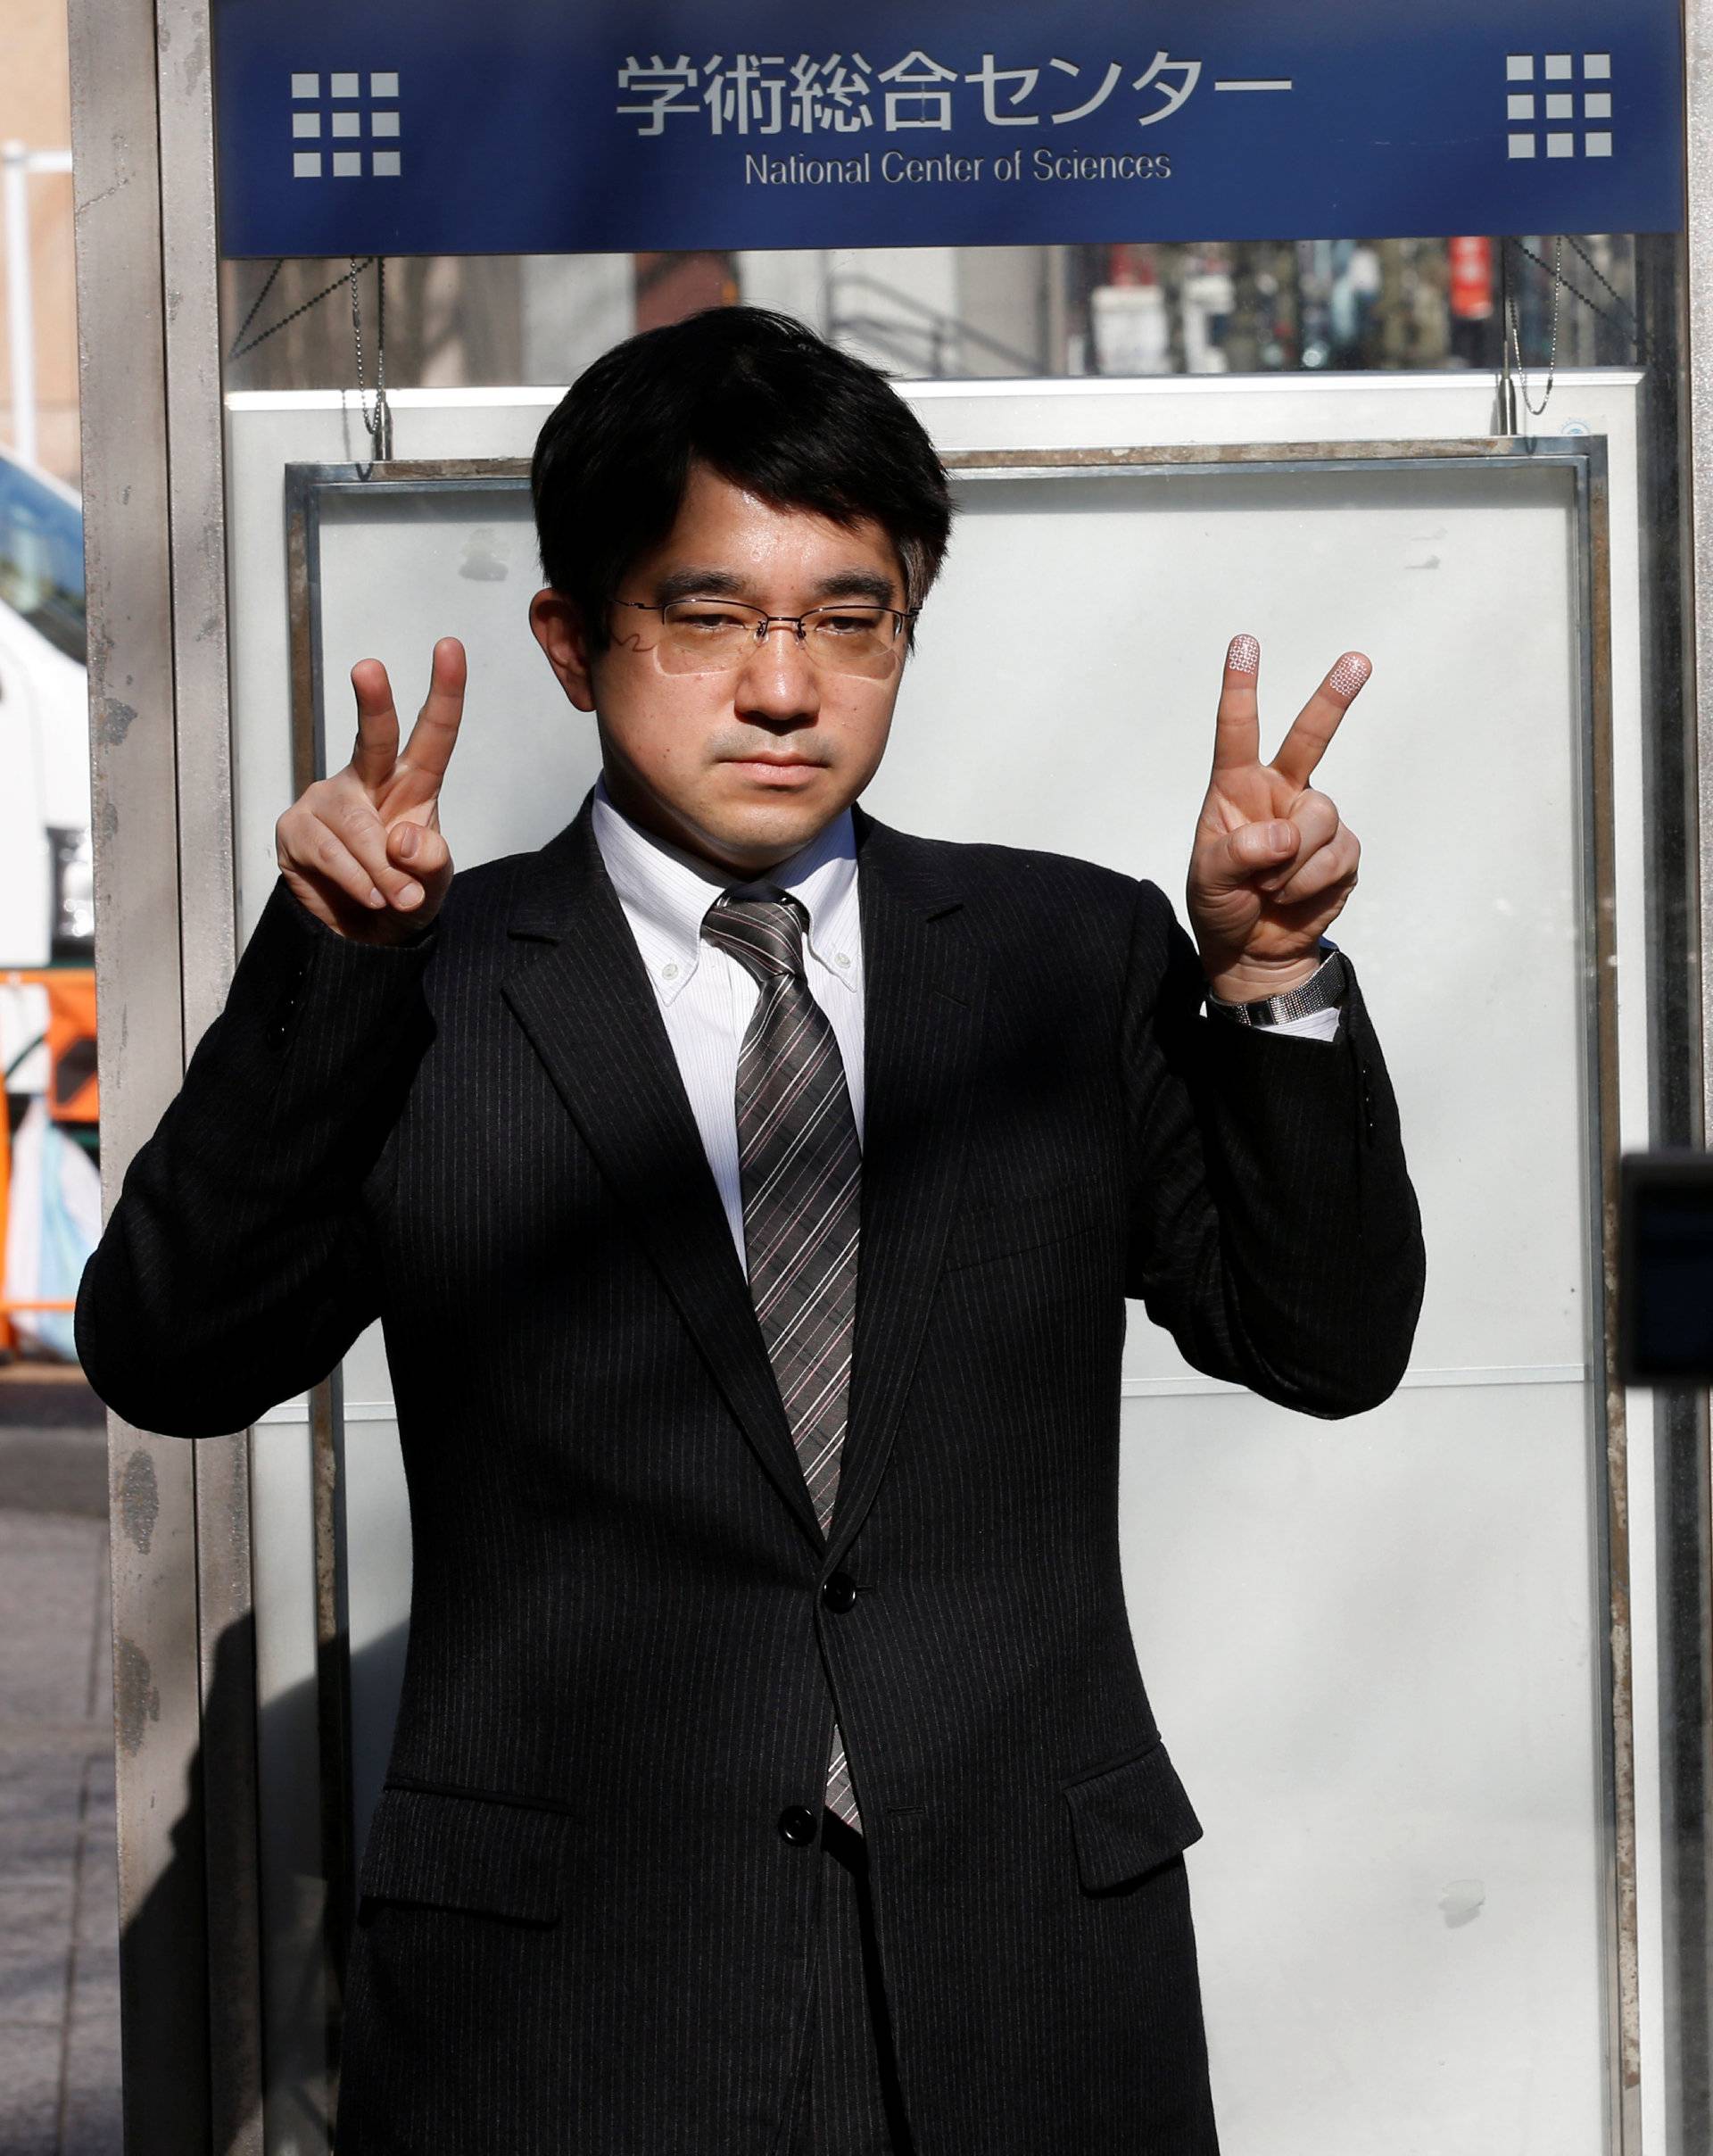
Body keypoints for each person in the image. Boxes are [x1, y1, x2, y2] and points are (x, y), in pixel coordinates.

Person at [78, 306, 1424, 2155]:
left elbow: (1329, 1340)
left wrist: (1269, 976)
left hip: (1023, 1975)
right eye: (709, 615)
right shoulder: (435, 988)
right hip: (570, 2009)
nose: (784, 688)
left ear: (907, 630)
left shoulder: (1066, 961)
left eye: (848, 618)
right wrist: (328, 976)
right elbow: (174, 1353)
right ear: (575, 640)